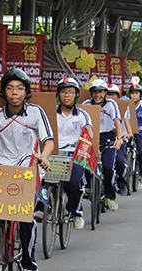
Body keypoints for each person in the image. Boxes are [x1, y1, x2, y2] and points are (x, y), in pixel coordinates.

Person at [0, 68, 54, 271]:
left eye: (19, 88)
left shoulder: (36, 113)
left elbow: (48, 140)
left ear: (26, 92)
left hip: (29, 165)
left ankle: (29, 263)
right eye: (10, 88)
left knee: (25, 217)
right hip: (3, 166)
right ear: (4, 92)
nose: (14, 93)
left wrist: (44, 157)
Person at [52, 77, 93, 229]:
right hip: (54, 154)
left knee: (74, 183)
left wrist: (78, 153)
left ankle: (75, 211)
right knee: (43, 182)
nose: (66, 95)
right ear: (58, 95)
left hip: (75, 154)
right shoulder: (51, 114)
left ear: (76, 95)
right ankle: (43, 207)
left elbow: (89, 135)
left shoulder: (82, 115)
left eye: (70, 92)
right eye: (63, 92)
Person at [83, 79, 123, 211]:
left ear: (105, 93)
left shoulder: (111, 104)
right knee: (86, 165)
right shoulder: (86, 104)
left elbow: (117, 121)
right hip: (91, 138)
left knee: (108, 167)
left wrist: (119, 138)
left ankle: (109, 196)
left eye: (100, 92)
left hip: (108, 138)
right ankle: (88, 186)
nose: (97, 95)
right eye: (94, 92)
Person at [107, 84, 132, 195]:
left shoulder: (121, 108)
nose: (110, 96)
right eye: (108, 94)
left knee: (120, 161)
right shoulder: (99, 106)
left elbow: (126, 123)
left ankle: (121, 182)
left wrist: (128, 134)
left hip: (119, 139)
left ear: (118, 96)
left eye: (113, 94)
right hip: (103, 140)